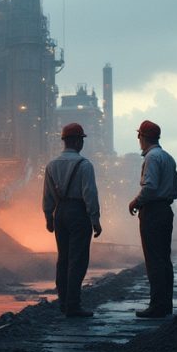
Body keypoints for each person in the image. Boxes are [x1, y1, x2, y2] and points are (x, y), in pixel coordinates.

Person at [42, 123, 103, 318]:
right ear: (77, 141)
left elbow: (47, 196)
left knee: (63, 259)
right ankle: (73, 305)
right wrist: (95, 219)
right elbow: (90, 194)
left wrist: (48, 217)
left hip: (60, 213)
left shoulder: (51, 165)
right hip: (79, 212)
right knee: (77, 260)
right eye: (81, 140)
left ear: (64, 141)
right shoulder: (85, 165)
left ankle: (63, 302)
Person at [128, 120, 177, 318]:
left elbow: (149, 187)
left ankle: (156, 306)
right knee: (164, 259)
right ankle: (165, 304)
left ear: (141, 137)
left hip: (152, 212)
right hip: (165, 210)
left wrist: (135, 202)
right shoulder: (168, 158)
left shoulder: (151, 158)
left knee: (154, 261)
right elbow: (176, 191)